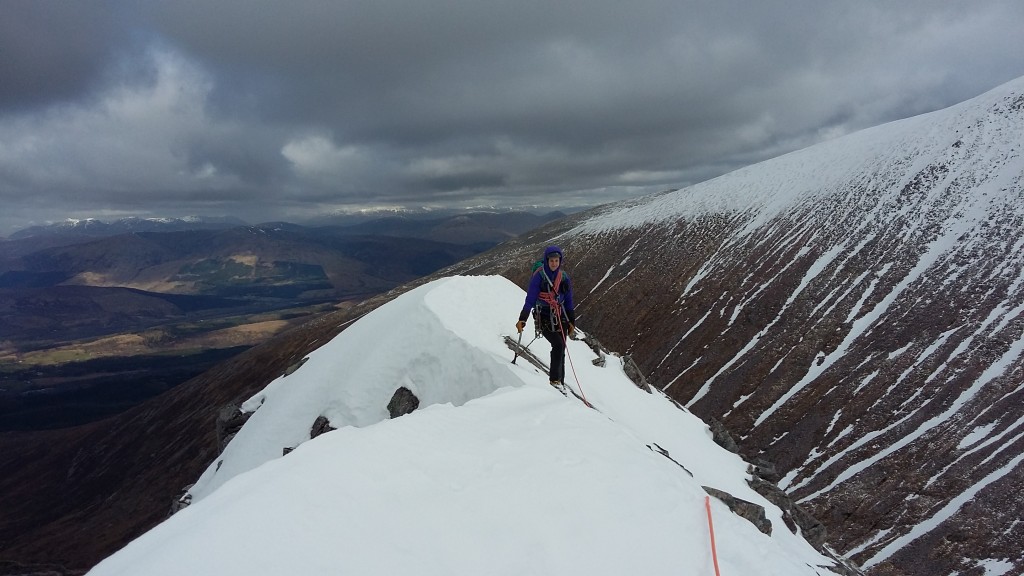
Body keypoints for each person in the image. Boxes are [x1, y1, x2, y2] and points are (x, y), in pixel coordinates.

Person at [516, 245, 576, 386]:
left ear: (560, 261)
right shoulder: (539, 277)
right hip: (543, 316)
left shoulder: (564, 278)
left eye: (556, 260)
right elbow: (530, 299)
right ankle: (554, 381)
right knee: (558, 345)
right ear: (546, 260)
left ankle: (560, 381)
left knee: (561, 349)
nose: (554, 263)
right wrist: (522, 318)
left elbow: (568, 300)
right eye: (551, 261)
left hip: (560, 316)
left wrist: (571, 320)